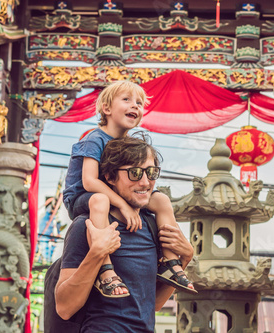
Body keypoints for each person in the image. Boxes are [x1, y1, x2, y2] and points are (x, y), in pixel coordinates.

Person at [62, 81, 196, 297]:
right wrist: (123, 204)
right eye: (126, 100)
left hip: (111, 192)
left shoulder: (127, 143)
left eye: (139, 103)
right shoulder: (94, 139)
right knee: (100, 200)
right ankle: (105, 269)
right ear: (106, 109)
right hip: (82, 197)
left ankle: (170, 262)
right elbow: (89, 182)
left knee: (161, 200)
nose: (135, 106)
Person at [55, 135, 194, 332]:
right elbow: (64, 308)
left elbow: (151, 305)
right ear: (110, 177)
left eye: (151, 172)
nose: (145, 182)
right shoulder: (86, 226)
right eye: (135, 173)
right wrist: (97, 253)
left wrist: (184, 259)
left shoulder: (152, 227)